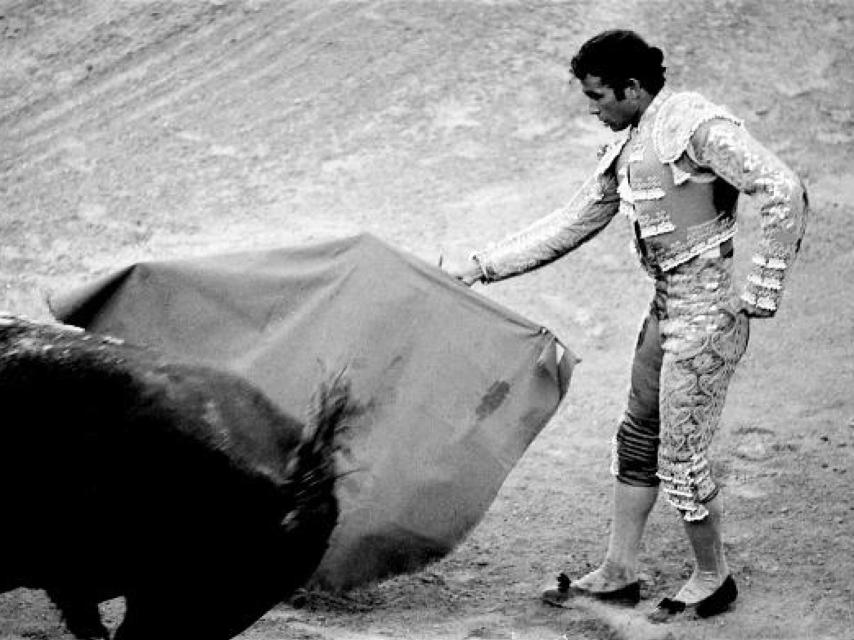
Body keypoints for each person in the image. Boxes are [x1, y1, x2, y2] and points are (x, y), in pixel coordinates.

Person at [446, 29, 808, 622]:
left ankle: (713, 577)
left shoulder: (693, 125)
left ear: (632, 88)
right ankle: (618, 571)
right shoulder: (635, 138)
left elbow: (782, 188)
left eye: (598, 96)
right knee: (637, 438)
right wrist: (480, 268)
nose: (593, 109)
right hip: (665, 307)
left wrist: (761, 286)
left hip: (706, 315)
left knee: (681, 458)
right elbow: (573, 220)